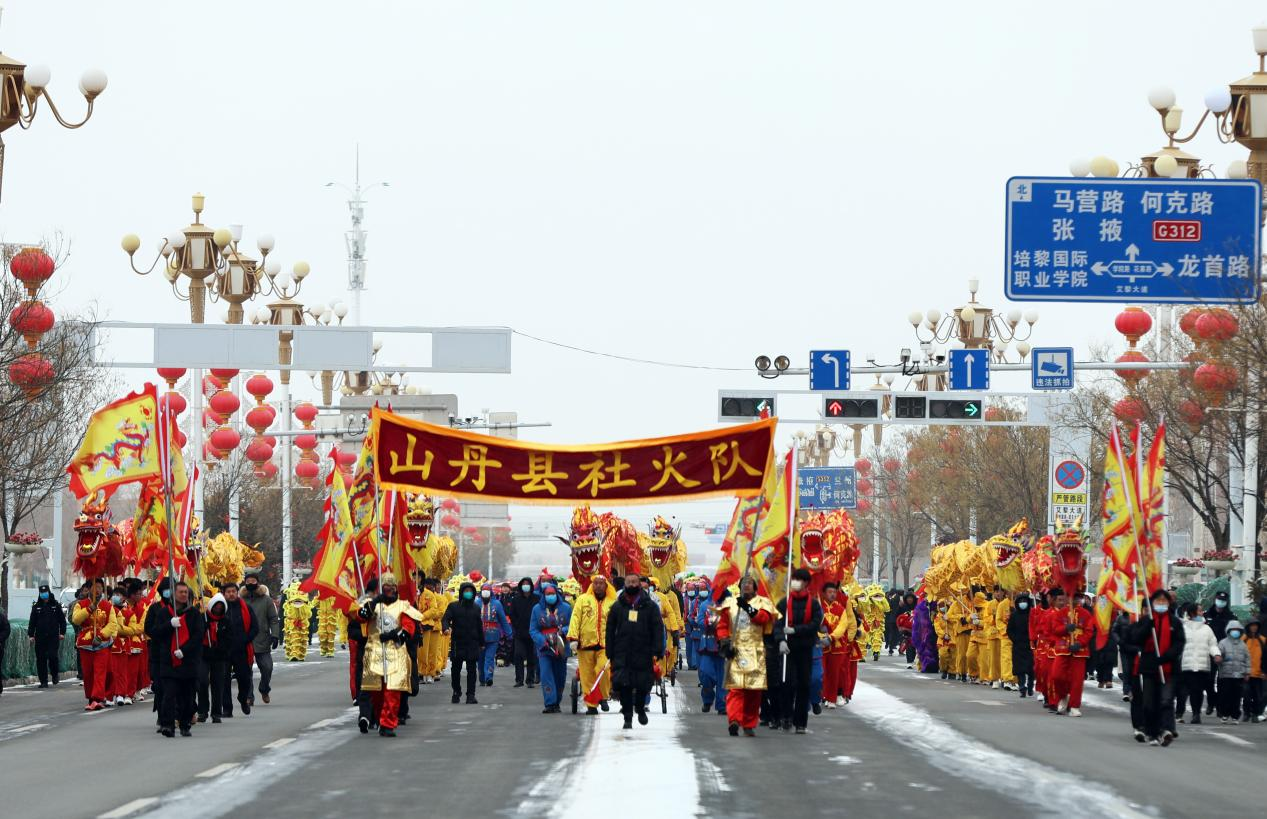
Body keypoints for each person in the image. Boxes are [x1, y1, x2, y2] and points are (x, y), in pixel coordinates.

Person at [354, 573, 423, 737]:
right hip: (374, 652)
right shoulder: (373, 605)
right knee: (376, 693)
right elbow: (361, 617)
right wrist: (373, 603)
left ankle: (388, 724)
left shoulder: (403, 606)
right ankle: (379, 718)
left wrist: (394, 635)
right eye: (386, 587)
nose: (390, 590)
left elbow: (409, 628)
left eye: (392, 587)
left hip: (396, 653)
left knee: (393, 691)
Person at [716, 576, 778, 737]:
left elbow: (763, 619)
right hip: (736, 651)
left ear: (755, 587)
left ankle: (749, 723)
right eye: (744, 583)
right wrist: (724, 642)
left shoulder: (763, 602)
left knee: (754, 691)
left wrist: (748, 608)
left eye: (750, 583)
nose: (747, 585)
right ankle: (734, 720)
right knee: (735, 689)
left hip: (756, 651)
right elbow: (722, 625)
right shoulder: (730, 603)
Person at [1124, 589, 1185, 746]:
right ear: (1152, 603)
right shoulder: (1146, 621)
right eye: (1158, 601)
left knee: (1166, 700)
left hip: (1168, 668)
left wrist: (1166, 656)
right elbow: (1134, 638)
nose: (1161, 604)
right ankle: (1151, 732)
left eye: (1164, 601)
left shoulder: (1175, 622)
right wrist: (1146, 628)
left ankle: (1166, 730)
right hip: (1149, 668)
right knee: (1149, 703)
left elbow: (1179, 643)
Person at [146, 581, 206, 737]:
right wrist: (169, 625)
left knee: (187, 696)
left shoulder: (194, 614)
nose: (184, 595)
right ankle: (167, 725)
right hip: (169, 660)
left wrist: (184, 650)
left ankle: (185, 724)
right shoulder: (164, 613)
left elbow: (198, 636)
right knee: (169, 694)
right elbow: (154, 632)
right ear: (174, 594)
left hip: (188, 661)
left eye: (186, 592)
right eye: (181, 592)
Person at [605, 573, 663, 729]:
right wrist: (609, 650)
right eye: (629, 582)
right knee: (624, 685)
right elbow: (610, 629)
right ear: (625, 584)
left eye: (634, 582)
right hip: (622, 652)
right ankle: (627, 717)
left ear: (639, 584)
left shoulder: (650, 606)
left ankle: (640, 708)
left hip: (643, 651)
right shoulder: (617, 606)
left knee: (643, 684)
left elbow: (658, 628)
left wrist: (658, 649)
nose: (632, 584)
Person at [771, 568, 822, 733]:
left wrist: (796, 630)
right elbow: (777, 624)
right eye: (794, 579)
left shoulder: (814, 604)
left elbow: (814, 624)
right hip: (787, 649)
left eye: (799, 580)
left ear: (806, 583)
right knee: (786, 683)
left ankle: (801, 722)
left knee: (804, 684)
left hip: (805, 649)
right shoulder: (784, 603)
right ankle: (786, 716)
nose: (795, 582)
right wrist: (780, 640)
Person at [70, 578, 120, 711]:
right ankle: (91, 697)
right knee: (88, 672)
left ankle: (97, 698)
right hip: (86, 643)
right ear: (88, 589)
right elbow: (75, 619)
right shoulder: (81, 604)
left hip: (102, 643)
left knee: (100, 671)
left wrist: (101, 635)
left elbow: (112, 624)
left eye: (99, 587)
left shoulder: (107, 606)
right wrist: (89, 609)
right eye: (94, 587)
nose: (97, 590)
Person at [569, 575, 615, 714]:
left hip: (606, 645)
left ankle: (604, 697)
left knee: (603, 669)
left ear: (606, 586)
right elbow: (575, 618)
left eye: (601, 583)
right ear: (592, 585)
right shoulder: (583, 599)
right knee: (587, 675)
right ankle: (591, 705)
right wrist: (573, 637)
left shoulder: (613, 603)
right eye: (596, 583)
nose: (598, 586)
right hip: (585, 644)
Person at [1046, 588, 1094, 717]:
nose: (1076, 599)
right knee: (1056, 675)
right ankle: (1062, 697)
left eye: (1078, 597)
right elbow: (1055, 629)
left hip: (1079, 650)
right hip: (1062, 649)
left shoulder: (1086, 614)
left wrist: (1080, 643)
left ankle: (1074, 706)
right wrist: (1065, 628)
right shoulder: (1060, 613)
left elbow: (1089, 631)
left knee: (1077, 680)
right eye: (1073, 596)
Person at [530, 581, 573, 714]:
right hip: (544, 647)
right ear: (544, 595)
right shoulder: (537, 609)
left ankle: (557, 702)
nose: (550, 596)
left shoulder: (566, 608)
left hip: (561, 645)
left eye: (552, 593)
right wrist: (543, 641)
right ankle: (550, 703)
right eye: (547, 594)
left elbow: (573, 625)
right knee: (546, 674)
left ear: (557, 594)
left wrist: (563, 631)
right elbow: (533, 630)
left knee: (560, 676)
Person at [1176, 602, 1220, 724]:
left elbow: (1212, 644)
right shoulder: (1183, 628)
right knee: (1182, 691)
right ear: (1192, 613)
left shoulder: (1207, 629)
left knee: (1197, 691)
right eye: (1199, 611)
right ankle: (1179, 712)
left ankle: (1196, 714)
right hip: (1186, 665)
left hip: (1202, 665)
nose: (1202, 613)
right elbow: (1177, 645)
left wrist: (1216, 654)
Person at [441, 581, 484, 705]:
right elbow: (445, 619)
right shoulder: (453, 606)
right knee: (455, 670)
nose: (468, 593)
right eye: (466, 591)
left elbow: (479, 626)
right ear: (461, 592)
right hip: (458, 642)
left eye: (470, 591)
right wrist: (445, 628)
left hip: (472, 642)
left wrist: (482, 642)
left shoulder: (476, 608)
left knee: (472, 670)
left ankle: (471, 695)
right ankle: (456, 691)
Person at [241, 572, 279, 704]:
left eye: (253, 581)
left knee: (267, 667)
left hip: (262, 639)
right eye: (248, 581)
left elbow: (273, 619)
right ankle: (249, 696)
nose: (250, 583)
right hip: (245, 640)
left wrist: (275, 635)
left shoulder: (266, 600)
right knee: (246, 670)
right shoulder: (241, 600)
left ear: (258, 582)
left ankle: (264, 688)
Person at [821, 581, 856, 708]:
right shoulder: (819, 607)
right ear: (824, 593)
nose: (832, 594)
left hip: (837, 645)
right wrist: (821, 636)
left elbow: (843, 626)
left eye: (834, 592)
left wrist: (832, 637)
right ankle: (823, 695)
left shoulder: (841, 609)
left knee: (835, 672)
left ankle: (832, 698)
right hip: (821, 644)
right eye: (829, 592)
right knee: (822, 672)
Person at [695, 584, 727, 714]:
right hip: (708, 646)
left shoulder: (729, 605)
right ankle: (707, 699)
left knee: (722, 679)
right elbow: (700, 621)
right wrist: (708, 622)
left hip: (723, 647)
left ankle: (722, 705)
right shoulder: (704, 605)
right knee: (705, 675)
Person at [27, 583, 66, 688]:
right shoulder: (36, 607)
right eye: (42, 592)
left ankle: (54, 674)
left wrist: (62, 633)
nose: (44, 594)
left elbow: (62, 621)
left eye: (45, 592)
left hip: (53, 637)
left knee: (53, 656)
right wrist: (31, 635)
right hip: (40, 637)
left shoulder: (55, 605)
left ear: (49, 592)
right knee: (41, 659)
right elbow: (32, 622)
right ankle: (43, 681)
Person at [477, 582, 512, 686]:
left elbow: (503, 620)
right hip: (479, 636)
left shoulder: (497, 604)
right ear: (481, 591)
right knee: (480, 659)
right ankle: (482, 678)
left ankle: (489, 677)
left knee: (489, 658)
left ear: (491, 592)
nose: (485, 592)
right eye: (484, 590)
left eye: (487, 590)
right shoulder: (476, 603)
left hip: (493, 635)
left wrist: (509, 633)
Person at [508, 577, 540, 688]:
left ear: (531, 586)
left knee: (532, 656)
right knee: (518, 655)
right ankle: (519, 679)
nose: (526, 586)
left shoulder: (537, 598)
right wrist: (516, 624)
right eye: (524, 584)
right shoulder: (516, 599)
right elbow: (512, 614)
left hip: (533, 632)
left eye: (527, 584)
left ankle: (530, 680)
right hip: (519, 632)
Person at [1215, 620, 1249, 724]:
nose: (1235, 632)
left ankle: (1235, 716)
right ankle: (1224, 714)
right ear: (1229, 630)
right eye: (1233, 629)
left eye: (1237, 630)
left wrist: (1247, 672)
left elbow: (1247, 659)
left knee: (1237, 696)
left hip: (1239, 675)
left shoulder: (1243, 644)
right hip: (1226, 674)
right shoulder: (1223, 643)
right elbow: (1218, 655)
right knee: (1225, 695)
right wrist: (1219, 659)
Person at [1007, 592, 1035, 698]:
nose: (1023, 603)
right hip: (1018, 645)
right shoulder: (1014, 615)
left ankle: (1030, 685)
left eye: (1025, 601)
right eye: (1021, 601)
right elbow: (1009, 630)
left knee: (1031, 669)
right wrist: (1015, 639)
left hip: (1030, 645)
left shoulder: (1032, 614)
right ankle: (1022, 687)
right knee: (1020, 669)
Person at [1112, 610, 1136, 702]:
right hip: (1124, 649)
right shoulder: (1120, 618)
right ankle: (1126, 691)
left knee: (1135, 670)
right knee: (1126, 670)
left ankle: (1134, 691)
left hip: (1136, 649)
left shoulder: (1139, 617)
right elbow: (1114, 631)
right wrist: (1119, 641)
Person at [1243, 619, 1265, 722]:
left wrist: (1264, 671)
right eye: (1252, 625)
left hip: (1258, 673)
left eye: (1256, 625)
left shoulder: (1262, 640)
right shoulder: (1243, 639)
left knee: (1257, 696)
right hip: (1246, 673)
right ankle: (1246, 713)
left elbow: (1265, 657)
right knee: (1246, 694)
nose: (1254, 627)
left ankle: (1255, 714)